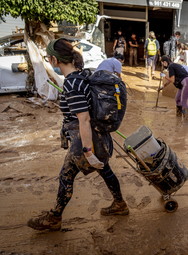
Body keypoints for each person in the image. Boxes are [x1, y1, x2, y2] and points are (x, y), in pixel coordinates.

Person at [28, 38, 128, 231]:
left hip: (85, 140)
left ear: (55, 60)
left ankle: (54, 217)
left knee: (66, 175)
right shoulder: (80, 77)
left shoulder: (72, 84)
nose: (49, 62)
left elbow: (84, 120)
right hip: (95, 138)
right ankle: (120, 204)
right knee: (104, 169)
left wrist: (87, 151)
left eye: (49, 58)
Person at [159, 55, 188, 121]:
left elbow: (172, 80)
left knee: (183, 100)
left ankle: (187, 119)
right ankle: (179, 116)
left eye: (162, 63)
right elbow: (172, 79)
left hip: (187, 83)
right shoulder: (173, 65)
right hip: (184, 83)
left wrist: (164, 76)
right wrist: (163, 86)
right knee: (177, 99)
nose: (163, 65)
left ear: (164, 62)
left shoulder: (171, 66)